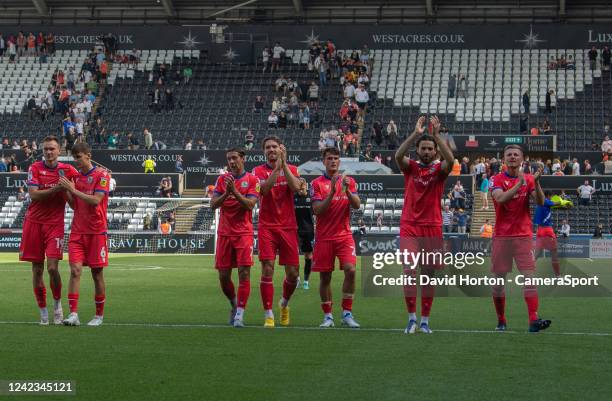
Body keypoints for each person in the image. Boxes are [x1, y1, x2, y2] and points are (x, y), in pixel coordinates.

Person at [395, 115, 454, 334]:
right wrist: (415, 134)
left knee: (428, 274)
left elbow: (452, 162)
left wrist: (437, 136)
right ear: (418, 150)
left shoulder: (439, 171)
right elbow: (398, 155)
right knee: (409, 270)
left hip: (432, 226)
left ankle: (425, 321)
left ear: (435, 151)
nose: (427, 152)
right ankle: (411, 318)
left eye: (431, 149)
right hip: (409, 225)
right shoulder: (410, 167)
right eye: (424, 148)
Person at [489, 144, 551, 332]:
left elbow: (540, 202)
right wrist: (520, 183)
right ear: (504, 159)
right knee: (499, 284)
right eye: (509, 154)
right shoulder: (495, 179)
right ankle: (501, 319)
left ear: (522, 159)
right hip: (502, 237)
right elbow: (500, 199)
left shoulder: (530, 179)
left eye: (516, 154)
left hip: (523, 236)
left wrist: (537, 182)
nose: (513, 157)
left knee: (529, 278)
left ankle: (533, 320)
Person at [20, 136, 79, 325]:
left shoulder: (68, 170)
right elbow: (34, 195)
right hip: (33, 223)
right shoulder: (35, 168)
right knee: (37, 270)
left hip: (55, 225)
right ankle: (43, 311)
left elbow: (74, 203)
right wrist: (57, 188)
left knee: (52, 268)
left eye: (52, 149)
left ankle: (57, 305)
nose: (48, 152)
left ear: (59, 151)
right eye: (46, 149)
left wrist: (67, 189)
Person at [59, 142, 111, 327]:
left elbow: (96, 200)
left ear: (88, 155)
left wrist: (73, 190)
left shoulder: (102, 175)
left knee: (97, 274)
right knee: (75, 271)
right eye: (74, 158)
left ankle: (99, 316)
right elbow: (75, 205)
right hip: (77, 232)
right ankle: (73, 313)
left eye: (79, 157)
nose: (76, 161)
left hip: (97, 232)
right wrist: (66, 191)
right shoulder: (77, 178)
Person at [252, 137, 301, 327]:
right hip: (267, 226)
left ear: (281, 149)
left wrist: (284, 165)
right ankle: (268, 314)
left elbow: (296, 188)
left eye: (274, 147)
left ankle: (284, 303)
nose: (271, 150)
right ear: (263, 151)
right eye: (267, 147)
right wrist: (276, 168)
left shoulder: (293, 169)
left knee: (293, 273)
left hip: (289, 226)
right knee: (267, 268)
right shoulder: (257, 171)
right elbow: (263, 190)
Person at [311, 147, 361, 328]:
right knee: (325, 278)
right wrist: (332, 192)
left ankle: (347, 313)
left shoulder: (349, 181)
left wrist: (346, 190)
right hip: (324, 237)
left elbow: (357, 205)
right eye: (330, 158)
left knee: (351, 270)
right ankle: (328, 316)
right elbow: (317, 210)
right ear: (323, 161)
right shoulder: (316, 184)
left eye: (336, 158)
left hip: (344, 236)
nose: (333, 161)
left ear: (339, 161)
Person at [210, 148, 260, 328]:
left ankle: (240, 313)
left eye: (234, 158)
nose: (231, 162)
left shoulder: (253, 180)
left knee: (244, 274)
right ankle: (233, 303)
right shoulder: (222, 180)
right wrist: (226, 193)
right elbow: (212, 205)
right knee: (223, 276)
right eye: (229, 159)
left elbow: (250, 205)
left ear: (242, 159)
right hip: (224, 233)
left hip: (243, 234)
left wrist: (235, 193)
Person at [534, 191, 562, 277]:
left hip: (539, 230)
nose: (551, 198)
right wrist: (563, 201)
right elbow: (557, 202)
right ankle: (558, 276)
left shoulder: (539, 203)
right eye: (551, 196)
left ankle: (527, 275)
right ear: (548, 195)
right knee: (554, 254)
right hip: (547, 230)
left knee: (536, 255)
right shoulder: (546, 201)